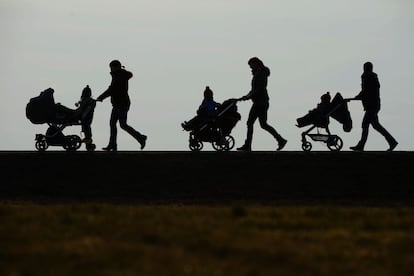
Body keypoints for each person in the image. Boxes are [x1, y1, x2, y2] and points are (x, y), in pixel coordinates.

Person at [237, 57, 287, 151]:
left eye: (251, 65)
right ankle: (280, 140)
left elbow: (258, 89)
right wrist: (247, 96)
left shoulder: (260, 74)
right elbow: (254, 89)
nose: (250, 67)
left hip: (260, 102)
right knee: (263, 124)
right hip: (261, 102)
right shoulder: (259, 73)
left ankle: (248, 145)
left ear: (256, 63)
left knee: (251, 122)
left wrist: (248, 96)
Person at [97, 60, 147, 151]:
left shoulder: (119, 76)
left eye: (111, 67)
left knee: (122, 124)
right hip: (117, 104)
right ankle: (112, 144)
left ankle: (140, 137)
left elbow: (112, 89)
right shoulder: (118, 75)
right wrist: (102, 97)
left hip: (122, 104)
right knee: (113, 124)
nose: (110, 69)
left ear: (116, 67)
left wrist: (101, 97)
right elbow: (112, 89)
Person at [347, 61, 398, 151]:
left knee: (366, 124)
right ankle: (391, 142)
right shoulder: (373, 76)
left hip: (371, 106)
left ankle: (361, 145)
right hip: (375, 104)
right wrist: (359, 97)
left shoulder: (366, 76)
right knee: (375, 125)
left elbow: (366, 90)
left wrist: (357, 97)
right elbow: (369, 91)